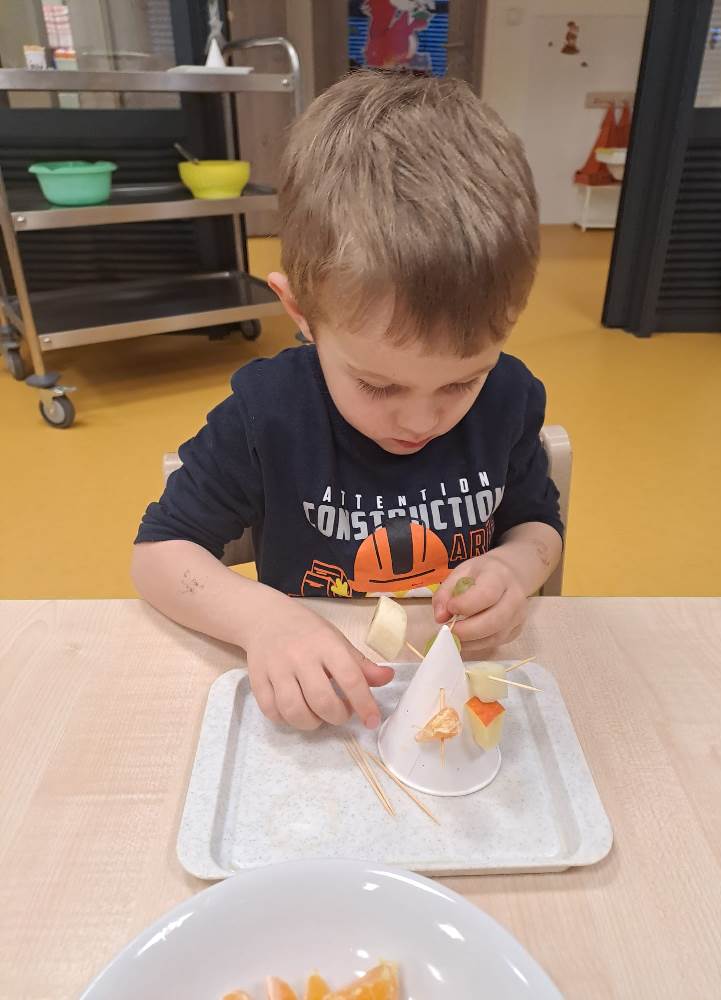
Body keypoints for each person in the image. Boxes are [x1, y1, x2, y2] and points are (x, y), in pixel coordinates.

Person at [132, 70, 563, 734]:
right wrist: (262, 620)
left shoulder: (509, 398)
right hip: (315, 703)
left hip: (450, 692)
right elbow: (159, 554)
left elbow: (538, 526)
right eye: (379, 386)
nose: (422, 421)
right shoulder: (268, 413)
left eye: (461, 382)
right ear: (301, 313)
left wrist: (514, 567)